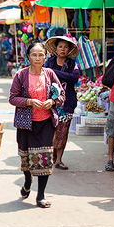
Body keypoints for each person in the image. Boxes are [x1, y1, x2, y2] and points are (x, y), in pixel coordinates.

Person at [8, 43, 65, 208]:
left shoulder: (50, 74)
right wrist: (28, 101)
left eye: (41, 55)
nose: (38, 58)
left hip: (46, 122)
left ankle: (40, 195)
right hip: (26, 124)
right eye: (34, 55)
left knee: (45, 159)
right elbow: (13, 98)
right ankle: (27, 180)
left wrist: (52, 101)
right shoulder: (20, 75)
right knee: (26, 159)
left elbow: (61, 94)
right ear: (28, 57)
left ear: (45, 57)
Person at [44, 36, 80, 170]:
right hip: (50, 103)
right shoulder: (49, 62)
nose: (63, 49)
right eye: (60, 46)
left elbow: (74, 78)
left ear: (69, 50)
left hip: (67, 103)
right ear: (56, 48)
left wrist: (54, 73)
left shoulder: (72, 64)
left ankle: (59, 160)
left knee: (63, 132)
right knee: (50, 131)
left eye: (66, 47)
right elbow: (45, 75)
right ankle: (50, 157)